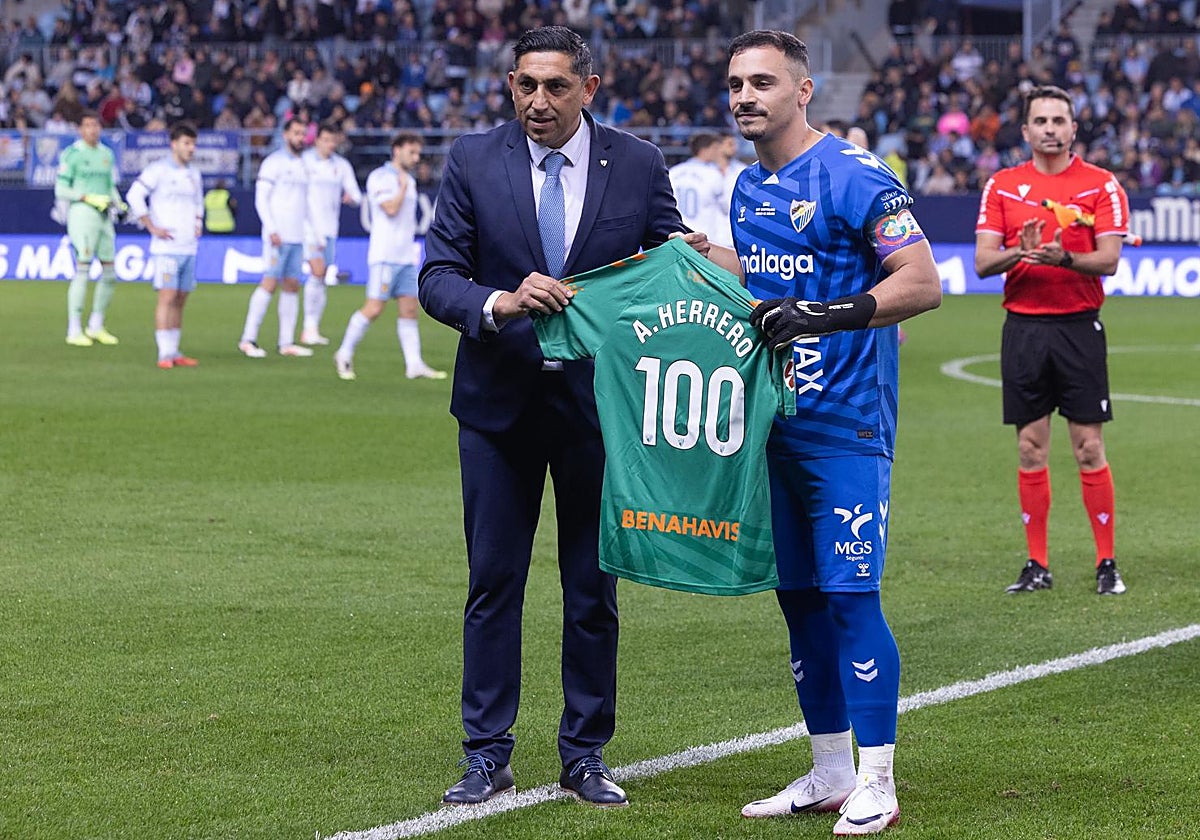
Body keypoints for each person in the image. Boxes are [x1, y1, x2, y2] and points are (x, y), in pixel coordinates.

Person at [418, 25, 685, 809]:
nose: (539, 101)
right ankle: (486, 753)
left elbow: (668, 266)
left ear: (589, 88)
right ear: (510, 84)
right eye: (525, 85)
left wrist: (699, 260)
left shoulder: (637, 163)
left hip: (601, 413)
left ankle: (585, 755)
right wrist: (499, 301)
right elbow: (438, 276)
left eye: (556, 87)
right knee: (493, 583)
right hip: (497, 412)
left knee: (592, 589)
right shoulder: (472, 158)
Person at [688, 31, 941, 834]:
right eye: (734, 83)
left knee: (850, 597)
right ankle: (830, 771)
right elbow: (766, 279)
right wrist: (697, 256)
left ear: (803, 91)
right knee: (796, 599)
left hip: (846, 429)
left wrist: (825, 316)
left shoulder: (857, 175)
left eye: (762, 81)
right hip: (775, 426)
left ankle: (880, 781)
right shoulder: (746, 185)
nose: (744, 96)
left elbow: (922, 282)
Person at [974, 85, 1130, 597]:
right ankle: (1036, 563)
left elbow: (1108, 260)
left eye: (1058, 120)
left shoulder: (1101, 185)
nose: (1049, 128)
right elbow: (982, 262)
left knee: (1088, 447)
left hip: (1079, 327)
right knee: (1029, 446)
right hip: (1023, 329)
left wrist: (1064, 259)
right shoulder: (1001, 185)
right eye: (1039, 120)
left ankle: (1106, 560)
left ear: (1072, 128)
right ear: (1025, 131)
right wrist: (1020, 251)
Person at [334, 133, 445, 381]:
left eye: (418, 153)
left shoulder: (409, 180)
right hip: (384, 256)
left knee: (409, 309)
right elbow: (391, 209)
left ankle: (414, 364)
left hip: (405, 256)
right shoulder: (380, 177)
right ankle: (344, 352)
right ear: (397, 150)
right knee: (374, 308)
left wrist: (406, 184)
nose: (416, 158)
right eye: (412, 152)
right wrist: (403, 188)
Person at [125, 121, 204, 369]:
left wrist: (198, 221)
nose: (191, 149)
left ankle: (175, 350)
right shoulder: (158, 170)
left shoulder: (194, 173)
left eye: (193, 144)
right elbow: (133, 195)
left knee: (181, 298)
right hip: (166, 247)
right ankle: (164, 353)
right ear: (174, 144)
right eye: (186, 143)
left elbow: (198, 201)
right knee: (167, 296)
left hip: (188, 245)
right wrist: (151, 226)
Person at [238, 116, 312, 358]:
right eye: (296, 133)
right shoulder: (273, 162)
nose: (300, 138)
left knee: (292, 285)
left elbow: (305, 204)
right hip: (277, 235)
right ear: (285, 135)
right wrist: (271, 228)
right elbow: (261, 198)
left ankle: (286, 342)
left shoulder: (304, 164)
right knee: (269, 283)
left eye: (303, 134)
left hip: (296, 236)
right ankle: (248, 338)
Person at [55, 111, 125, 347]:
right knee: (83, 268)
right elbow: (61, 190)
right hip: (83, 214)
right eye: (88, 126)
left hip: (105, 216)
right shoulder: (73, 154)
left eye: (96, 125)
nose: (93, 130)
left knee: (110, 273)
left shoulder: (106, 154)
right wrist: (86, 197)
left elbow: (110, 186)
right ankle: (73, 329)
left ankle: (96, 325)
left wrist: (118, 202)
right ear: (80, 130)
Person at [301, 122, 362, 346]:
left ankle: (312, 327)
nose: (330, 144)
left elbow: (356, 195)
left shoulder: (341, 166)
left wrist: (351, 198)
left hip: (330, 229)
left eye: (333, 140)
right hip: (308, 227)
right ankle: (308, 327)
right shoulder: (305, 162)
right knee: (317, 272)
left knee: (321, 277)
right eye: (325, 140)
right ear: (317, 140)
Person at [668, 132, 732, 247]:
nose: (718, 152)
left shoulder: (674, 172)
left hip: (680, 236)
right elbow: (726, 208)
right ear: (705, 150)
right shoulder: (713, 174)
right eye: (715, 148)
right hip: (705, 239)